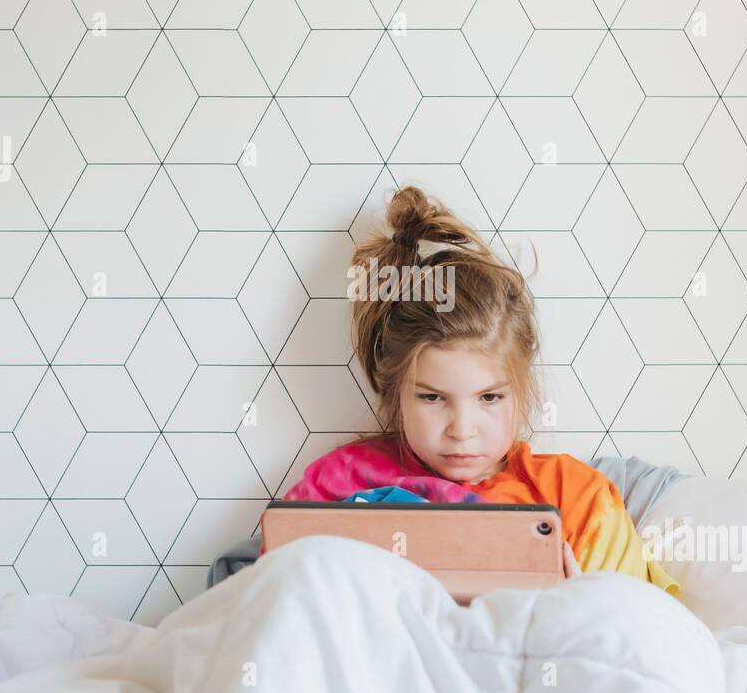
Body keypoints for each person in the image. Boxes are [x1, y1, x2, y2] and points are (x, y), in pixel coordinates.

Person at [279, 185, 679, 597]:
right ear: (395, 390)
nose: (462, 429)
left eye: (489, 398)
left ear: (521, 390)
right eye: (432, 398)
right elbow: (278, 606)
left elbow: (637, 636)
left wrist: (580, 606)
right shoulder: (338, 486)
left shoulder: (576, 498)